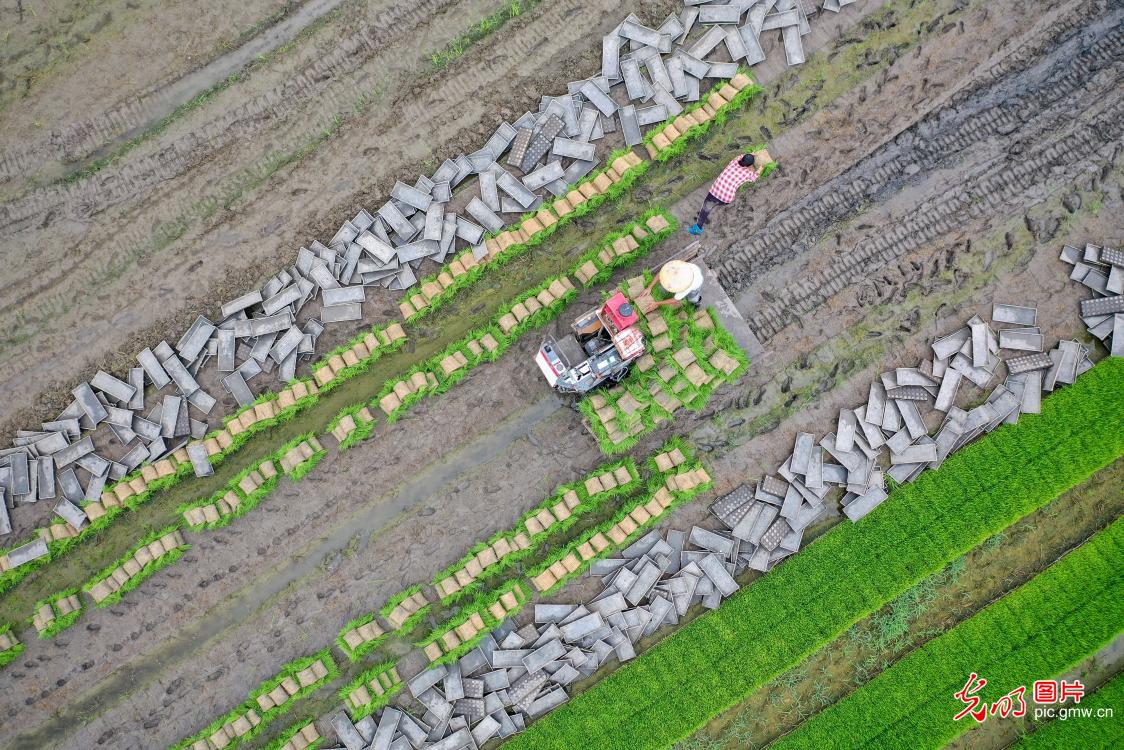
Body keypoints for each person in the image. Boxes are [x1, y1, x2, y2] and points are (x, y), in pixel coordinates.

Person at [687, 152, 761, 235]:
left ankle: (698, 227)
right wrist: (760, 169)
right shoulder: (748, 173)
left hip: (715, 191)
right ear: (749, 165)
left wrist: (751, 154)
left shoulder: (733, 162)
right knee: (714, 203)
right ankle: (714, 206)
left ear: (742, 159)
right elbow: (754, 177)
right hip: (726, 198)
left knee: (706, 208)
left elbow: (740, 156)